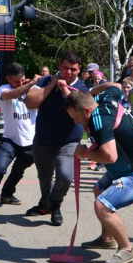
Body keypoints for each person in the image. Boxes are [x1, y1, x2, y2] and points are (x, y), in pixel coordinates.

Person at [66, 84, 133, 263]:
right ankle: (107, 237)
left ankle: (126, 249)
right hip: (131, 166)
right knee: (99, 189)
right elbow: (116, 85)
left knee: (102, 205)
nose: (76, 122)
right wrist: (92, 91)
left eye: (76, 118)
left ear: (86, 110)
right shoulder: (104, 98)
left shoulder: (98, 120)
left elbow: (109, 156)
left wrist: (84, 153)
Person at [24, 50, 88, 226]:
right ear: (59, 65)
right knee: (44, 178)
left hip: (68, 142)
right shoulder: (45, 81)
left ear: (79, 69)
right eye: (65, 68)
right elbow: (30, 102)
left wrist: (65, 89)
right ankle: (46, 204)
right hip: (42, 140)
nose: (68, 72)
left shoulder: (82, 87)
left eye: (73, 69)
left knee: (66, 177)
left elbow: (80, 111)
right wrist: (51, 85)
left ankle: (54, 204)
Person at [0, 63, 38, 213]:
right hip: (10, 140)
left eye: (22, 80)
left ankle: (7, 194)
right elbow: (13, 95)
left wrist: (42, 83)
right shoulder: (3, 89)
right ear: (8, 78)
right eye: (16, 81)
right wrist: (30, 84)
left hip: (30, 142)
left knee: (18, 171)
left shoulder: (34, 90)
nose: (19, 84)